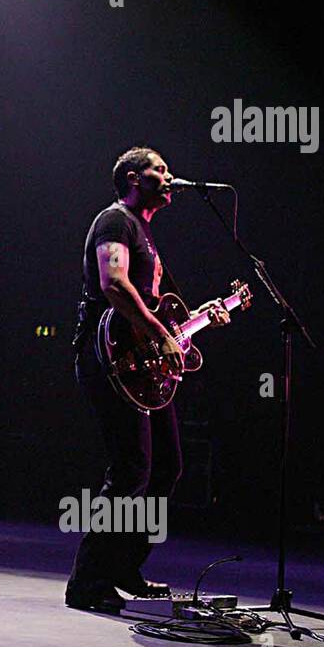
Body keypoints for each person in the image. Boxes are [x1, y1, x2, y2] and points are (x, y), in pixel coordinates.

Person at [66, 146, 229, 612]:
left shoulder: (147, 237)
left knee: (166, 468)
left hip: (140, 369)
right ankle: (87, 582)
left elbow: (163, 313)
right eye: (159, 169)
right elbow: (113, 284)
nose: (170, 176)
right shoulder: (114, 221)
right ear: (134, 179)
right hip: (107, 359)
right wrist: (161, 335)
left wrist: (201, 320)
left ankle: (124, 566)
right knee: (131, 469)